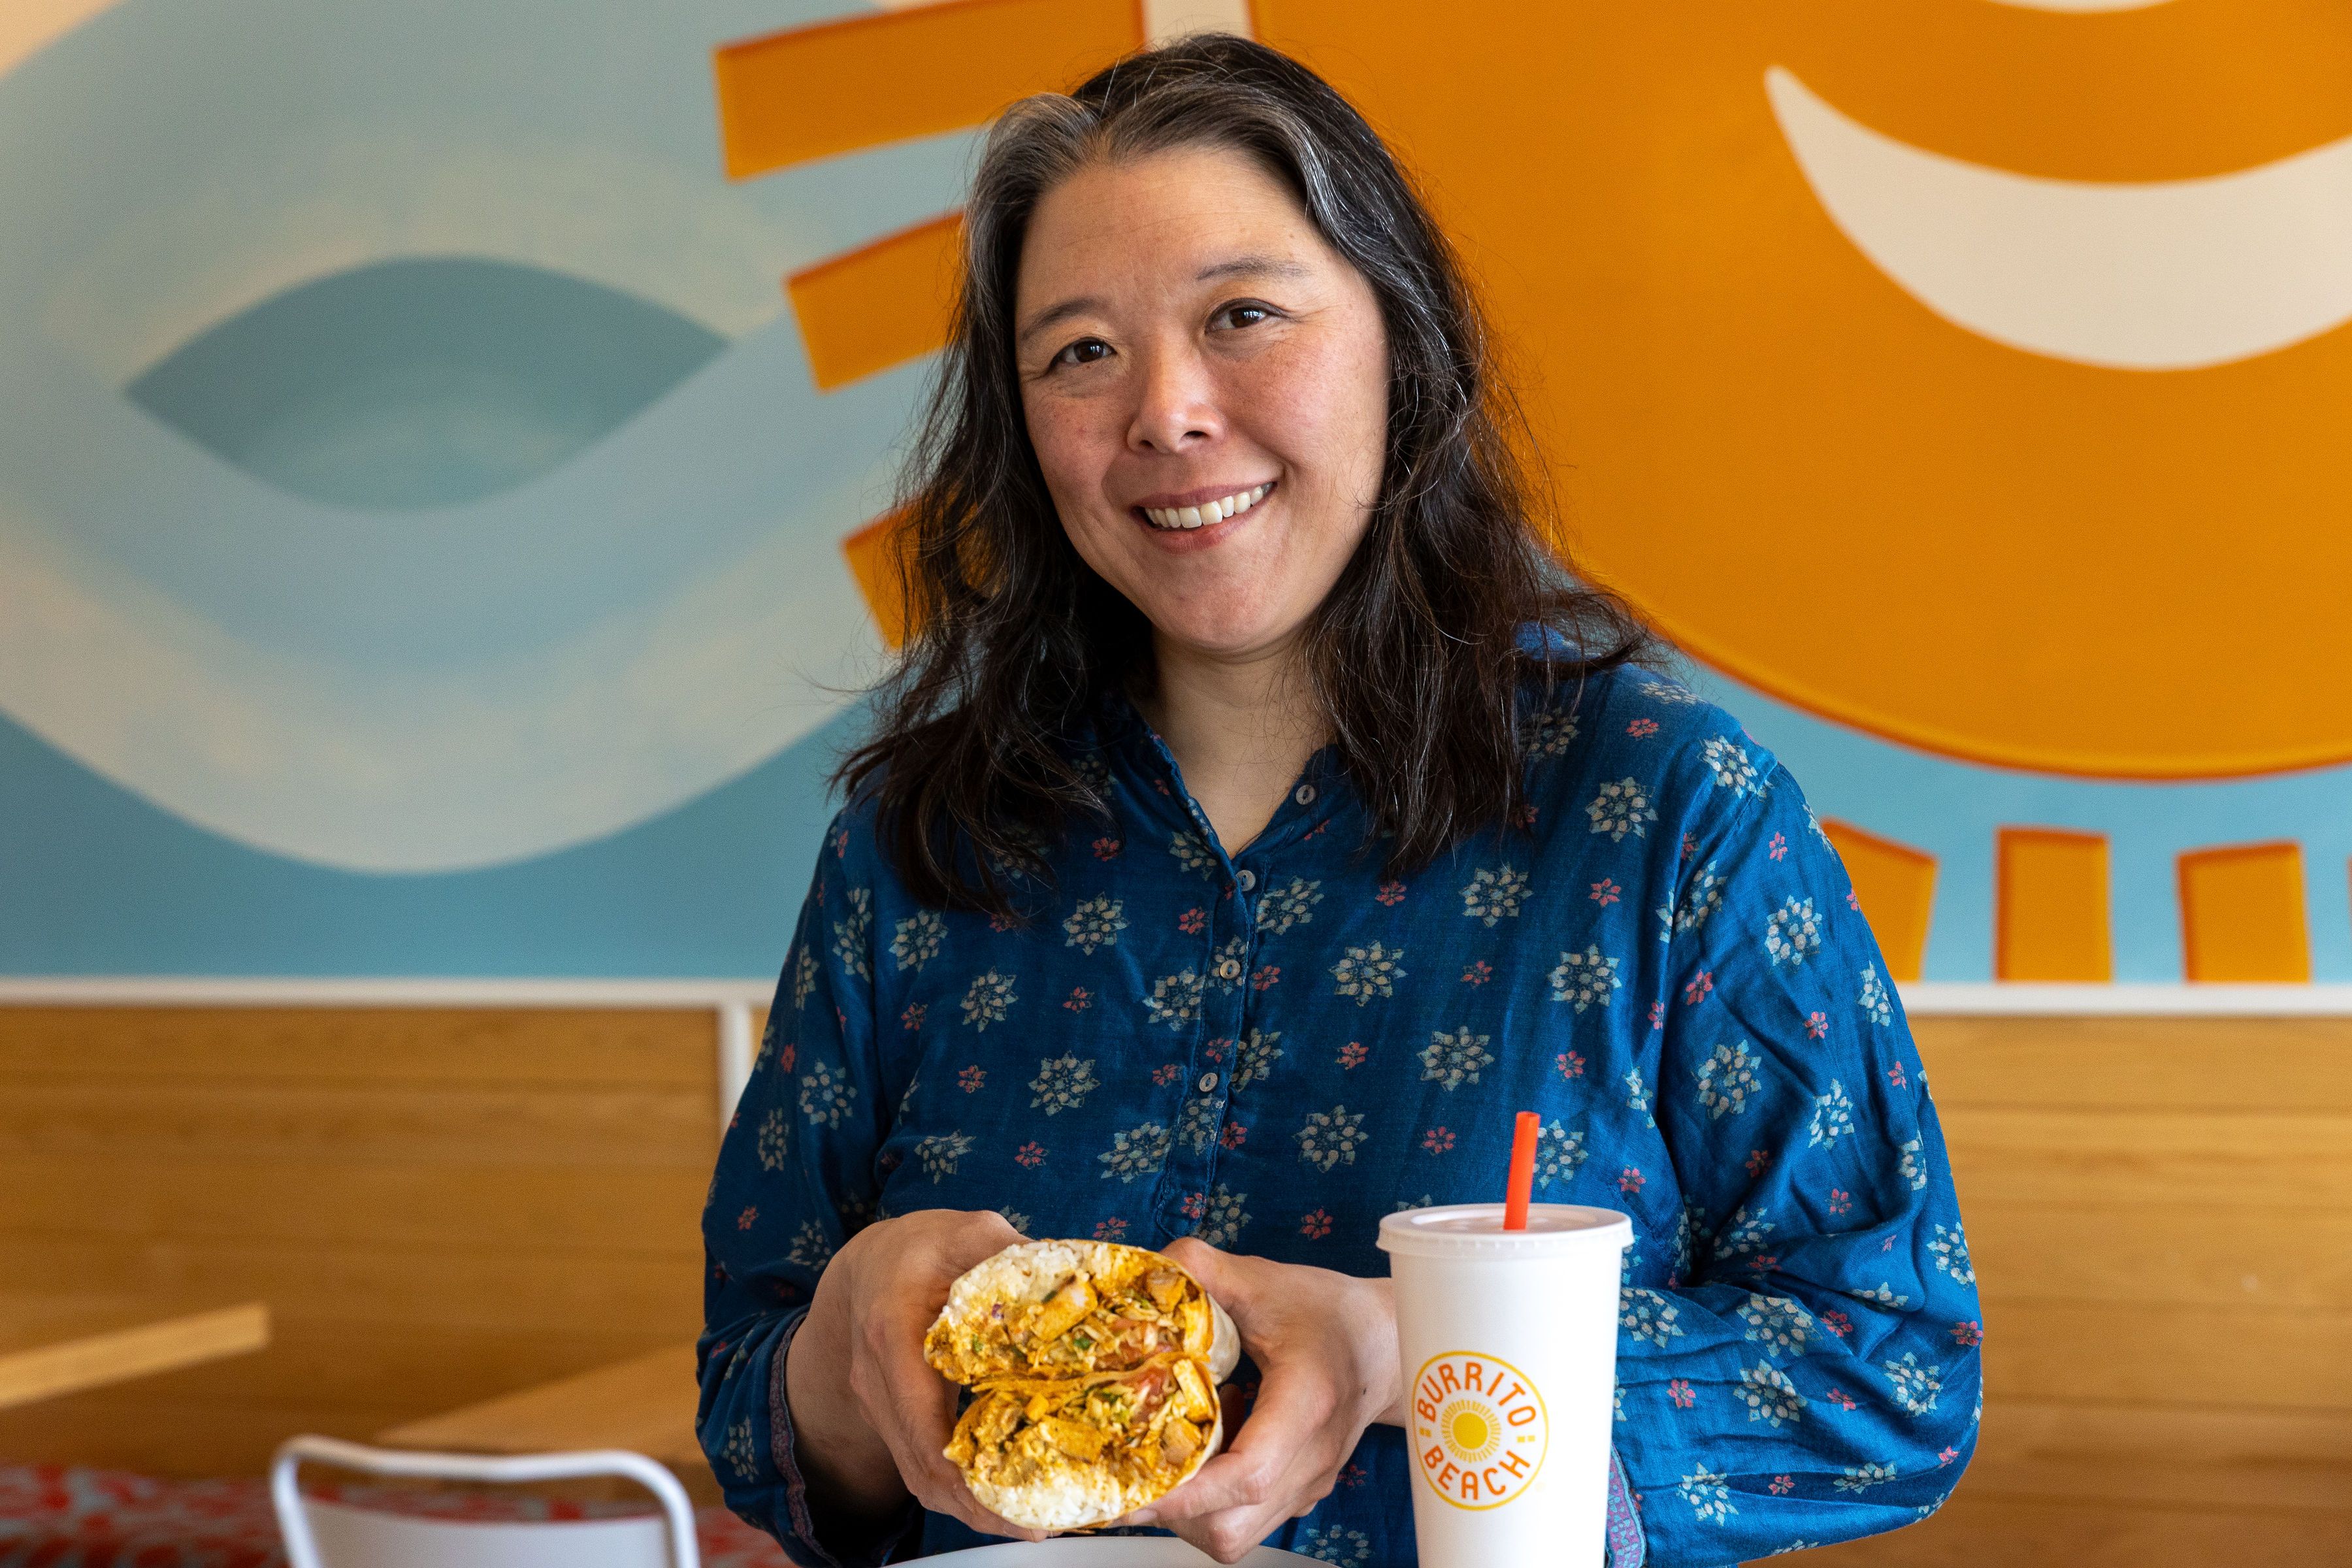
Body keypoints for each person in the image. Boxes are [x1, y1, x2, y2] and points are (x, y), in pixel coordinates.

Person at [697, 33, 1979, 1567]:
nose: (1165, 411)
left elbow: (1891, 1376)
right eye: (1079, 352)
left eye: (1244, 315)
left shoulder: (1663, 813)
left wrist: (1409, 1358)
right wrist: (847, 1349)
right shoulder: (920, 839)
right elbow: (748, 1407)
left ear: (1400, 342)